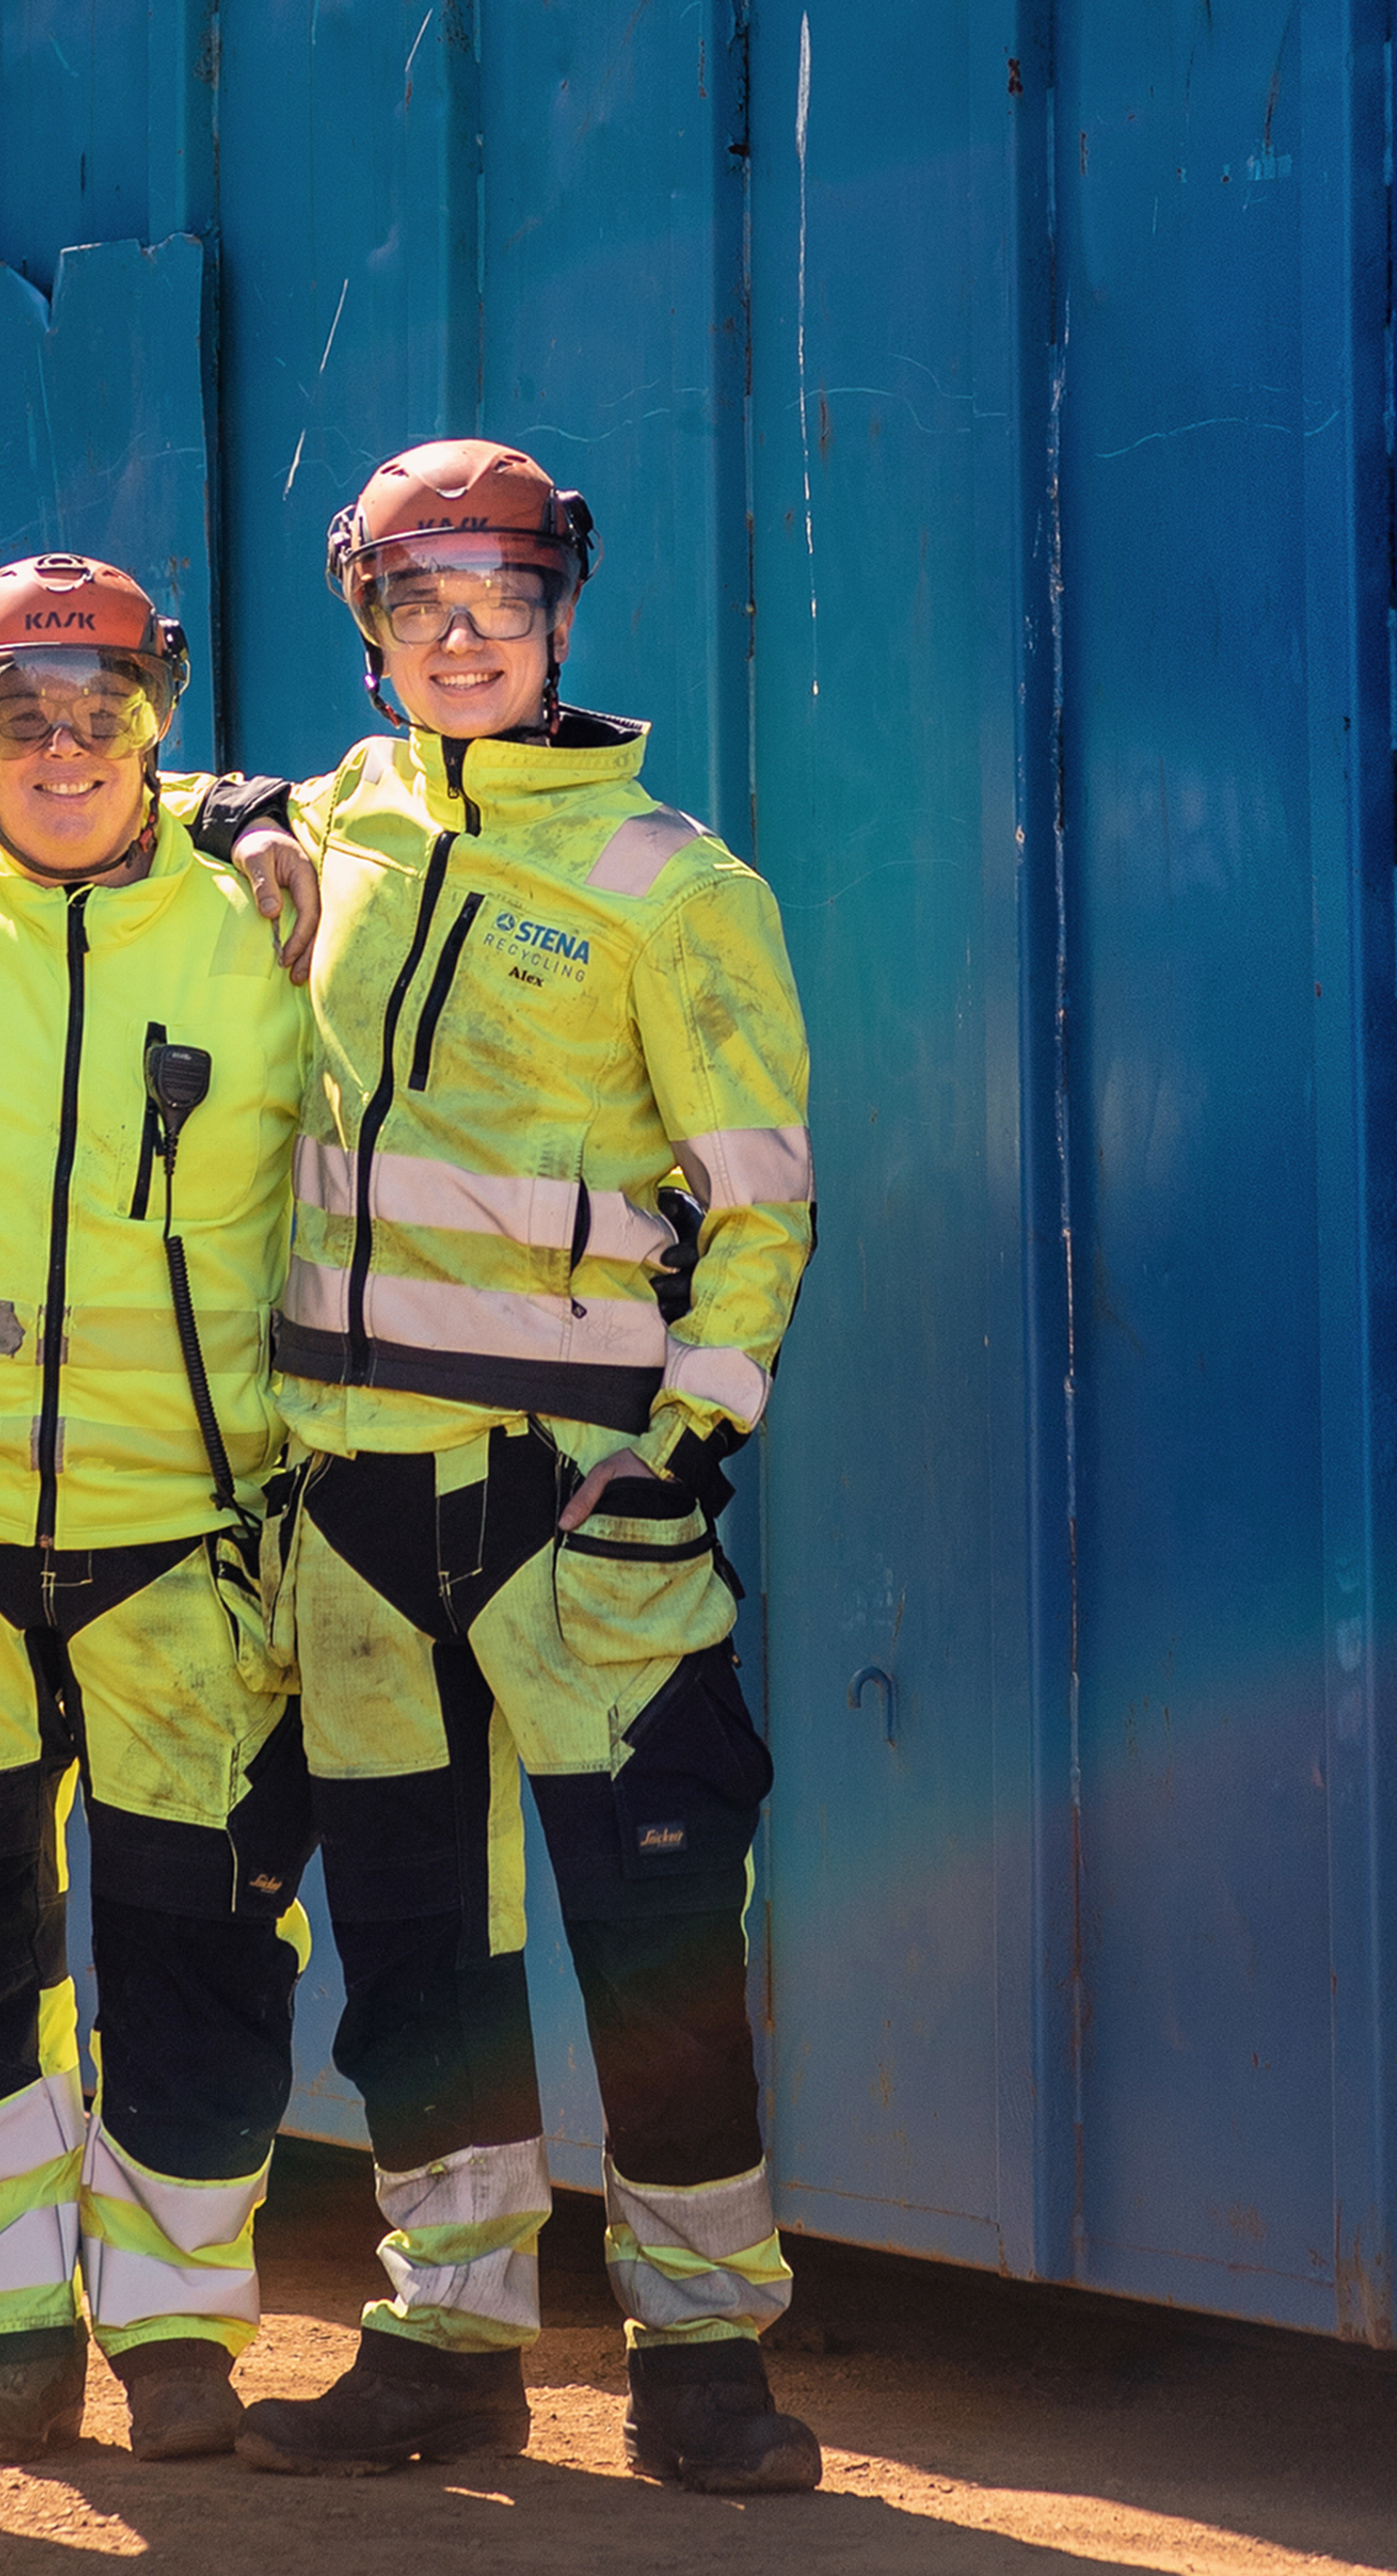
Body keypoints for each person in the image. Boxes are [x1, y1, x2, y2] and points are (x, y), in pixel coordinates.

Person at [229, 438, 823, 2494]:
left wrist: (696, 1441)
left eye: (500, 594)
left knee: (655, 1956)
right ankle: (447, 2345)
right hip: (359, 1501)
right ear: (367, 622)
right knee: (416, 1958)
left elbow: (762, 1210)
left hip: (584, 1516)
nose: (462, 633)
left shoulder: (676, 887)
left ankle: (705, 2362)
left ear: (563, 610)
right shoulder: (313, 841)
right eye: (417, 599)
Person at [0, 553, 313, 2468]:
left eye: (107, 707)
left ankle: (179, 2339)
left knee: (196, 1958)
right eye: (19, 706)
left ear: (166, 715)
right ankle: (10, 2338)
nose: (64, 742)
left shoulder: (280, 916)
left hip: (190, 1541)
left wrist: (248, 813)